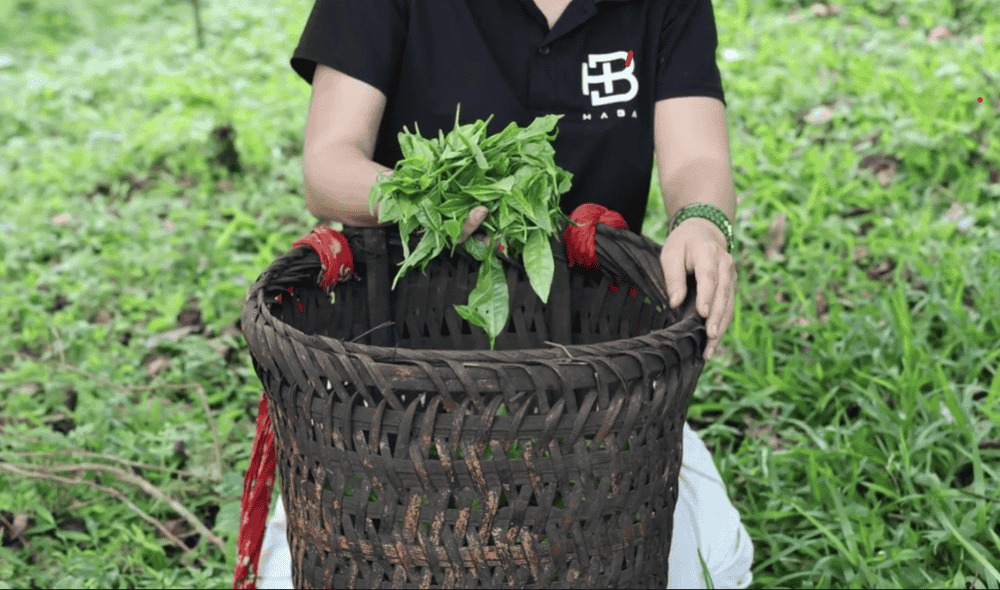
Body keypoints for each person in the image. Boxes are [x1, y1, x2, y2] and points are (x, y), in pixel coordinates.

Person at [256, 0, 753, 587]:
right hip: (400, 378)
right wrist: (427, 196)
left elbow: (694, 153)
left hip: (590, 374)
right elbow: (329, 166)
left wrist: (700, 222)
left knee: (704, 562)